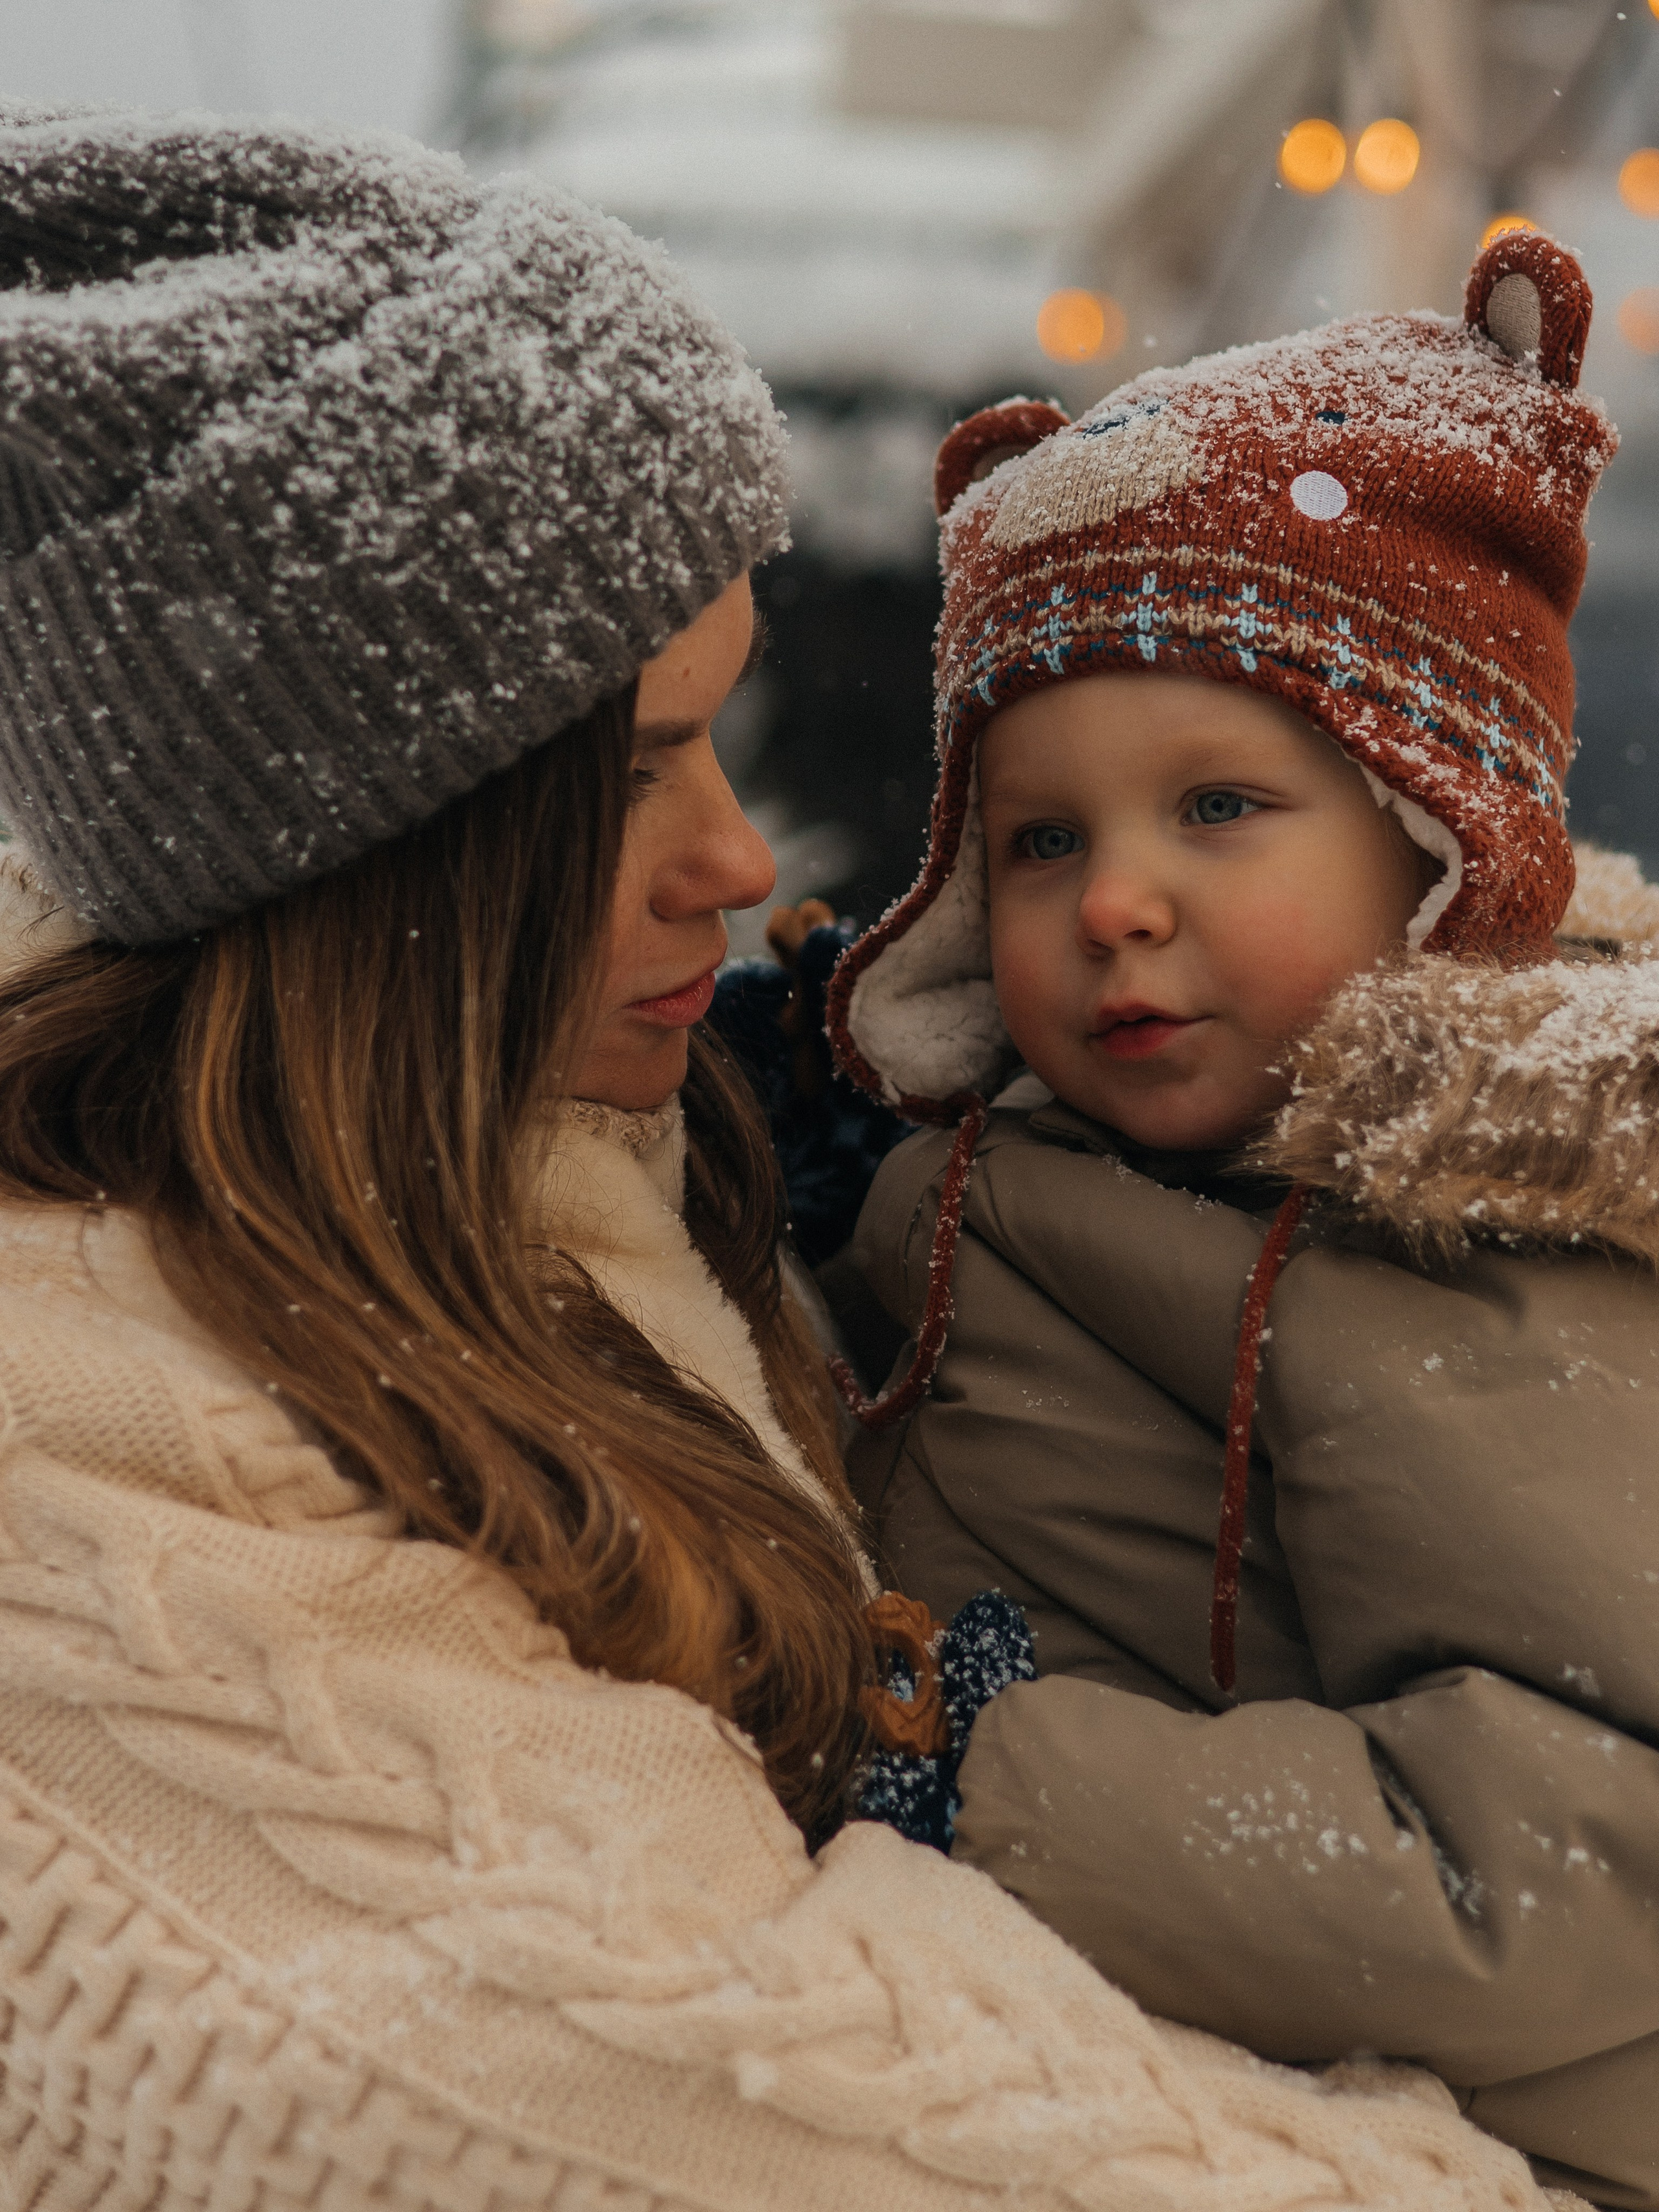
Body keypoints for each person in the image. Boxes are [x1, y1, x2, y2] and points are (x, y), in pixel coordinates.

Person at [0, 103, 1568, 2211]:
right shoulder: (112, 1488)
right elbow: (734, 2121)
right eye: (644, 770)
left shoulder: (584, 1166)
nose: (745, 864)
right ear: (379, 848)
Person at [828, 229, 1659, 2210]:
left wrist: (965, 1780)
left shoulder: (1471, 1243)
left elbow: (1569, 1843)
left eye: (1218, 808)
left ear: (1442, 846)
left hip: (1484, 2146)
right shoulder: (1069, 1167)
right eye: (1042, 840)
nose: (1113, 900)